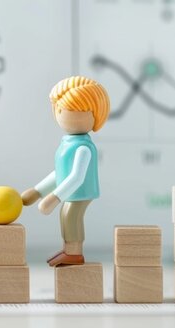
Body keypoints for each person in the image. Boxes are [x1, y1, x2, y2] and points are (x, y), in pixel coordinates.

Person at [21, 76, 110, 267]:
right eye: (58, 108)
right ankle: (68, 250)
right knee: (66, 215)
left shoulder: (84, 148)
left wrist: (54, 197)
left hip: (81, 191)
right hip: (70, 191)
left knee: (70, 215)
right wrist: (37, 191)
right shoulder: (67, 142)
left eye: (68, 109)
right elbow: (60, 173)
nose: (60, 113)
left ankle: (75, 253)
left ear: (94, 116)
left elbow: (76, 177)